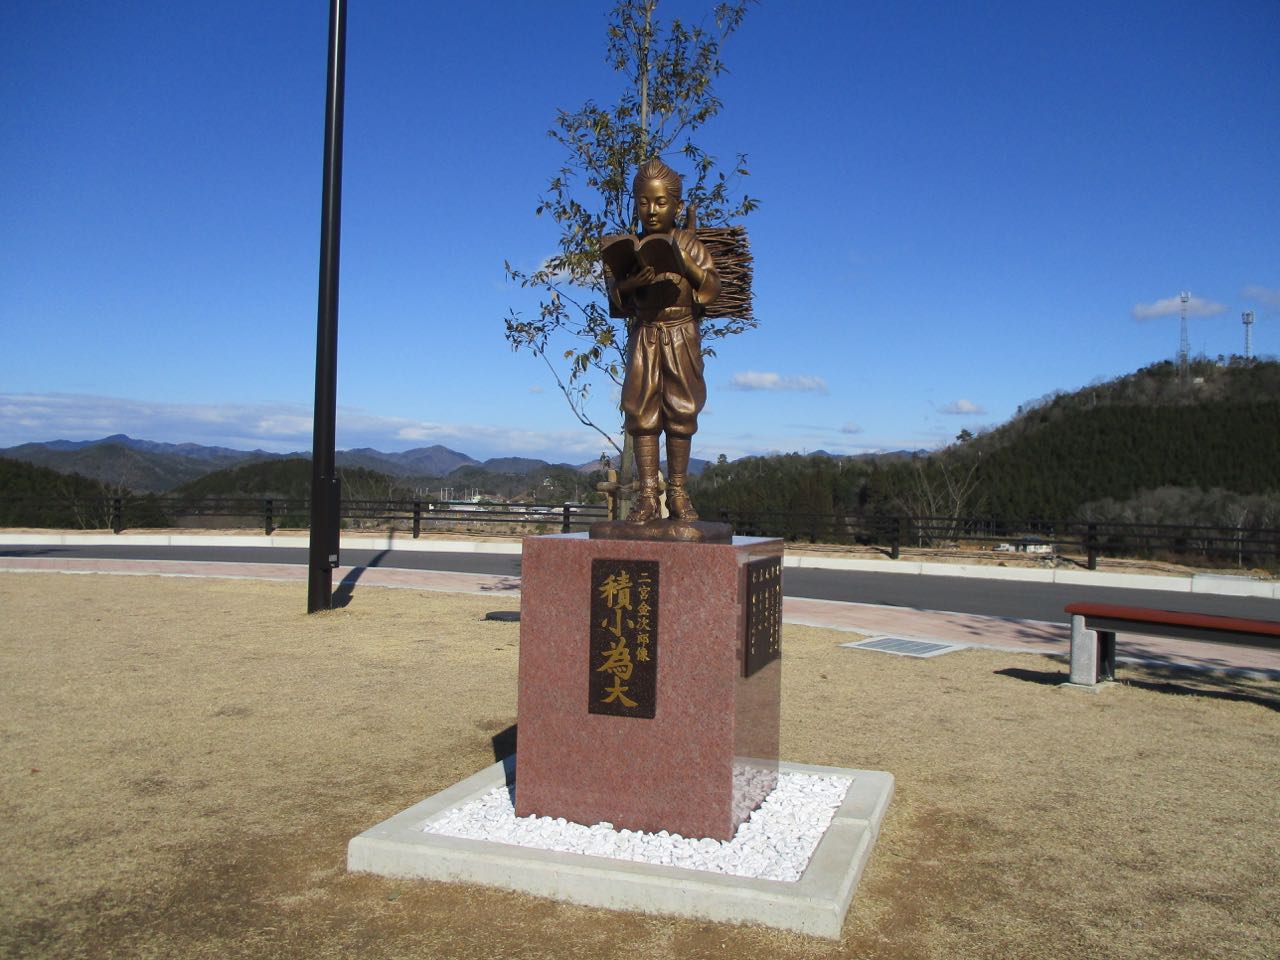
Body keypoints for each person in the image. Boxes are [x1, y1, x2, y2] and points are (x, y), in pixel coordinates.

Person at [606, 158, 721, 523]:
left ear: (676, 205)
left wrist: (686, 263)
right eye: (644, 202)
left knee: (681, 410)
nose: (652, 211)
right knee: (641, 413)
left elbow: (712, 286)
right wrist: (630, 284)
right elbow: (616, 300)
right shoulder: (631, 246)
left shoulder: (689, 242)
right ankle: (647, 496)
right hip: (645, 334)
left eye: (660, 202)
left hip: (681, 332)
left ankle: (678, 491)